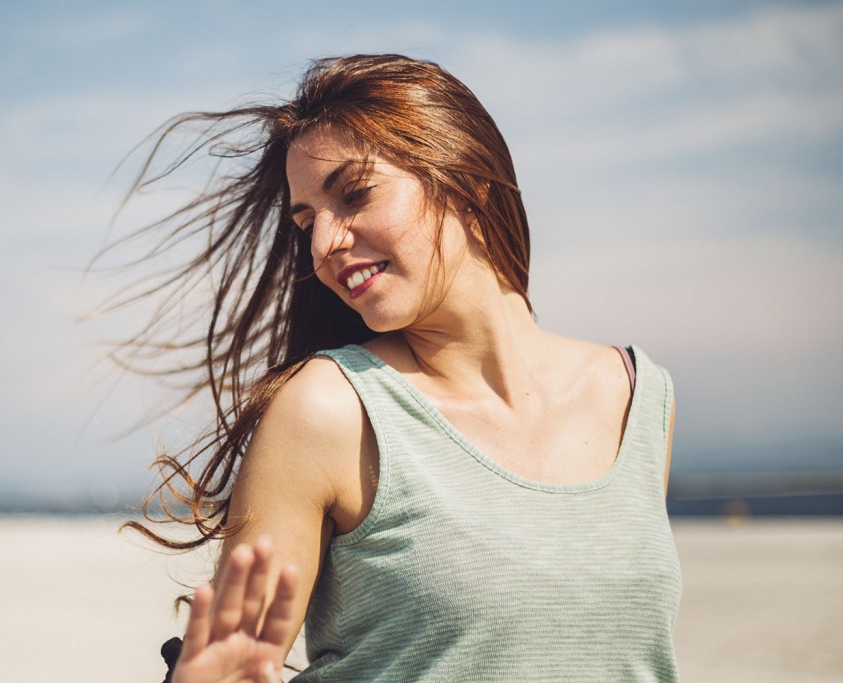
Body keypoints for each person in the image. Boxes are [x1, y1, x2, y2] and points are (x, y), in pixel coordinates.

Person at [117, 54, 681, 682]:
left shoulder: (635, 396)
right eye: (306, 221)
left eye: (354, 194)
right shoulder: (328, 411)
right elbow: (228, 667)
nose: (323, 243)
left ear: (468, 181)